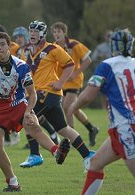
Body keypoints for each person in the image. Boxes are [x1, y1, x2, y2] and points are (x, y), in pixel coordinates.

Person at [0, 32, 70, 192]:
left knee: (33, 126)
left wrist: (28, 112)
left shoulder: (21, 66)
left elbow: (32, 94)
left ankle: (56, 152)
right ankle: (12, 182)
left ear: (9, 46)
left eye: (2, 44)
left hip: (18, 105)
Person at [67, 28, 135, 195]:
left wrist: (73, 107)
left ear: (112, 45)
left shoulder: (107, 65)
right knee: (95, 164)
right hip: (121, 129)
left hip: (127, 127)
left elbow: (88, 95)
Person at [19, 20, 94, 168]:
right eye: (31, 31)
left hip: (48, 92)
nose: (32, 34)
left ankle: (35, 154)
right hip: (36, 93)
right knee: (63, 129)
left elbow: (70, 64)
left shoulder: (53, 48)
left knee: (26, 118)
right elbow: (23, 72)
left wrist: (60, 82)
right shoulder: (25, 51)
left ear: (43, 34)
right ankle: (88, 155)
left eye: (36, 31)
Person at [51, 22, 99, 146]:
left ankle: (72, 138)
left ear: (64, 32)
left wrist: (76, 73)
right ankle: (91, 128)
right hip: (62, 83)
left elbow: (88, 60)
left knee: (67, 107)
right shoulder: (53, 47)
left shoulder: (73, 44)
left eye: (59, 31)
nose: (57, 34)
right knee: (74, 108)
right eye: (54, 32)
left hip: (74, 82)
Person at [12, 26, 60, 147]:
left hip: (42, 89)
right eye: (16, 37)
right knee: (33, 114)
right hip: (28, 88)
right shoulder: (20, 51)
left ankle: (35, 148)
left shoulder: (34, 49)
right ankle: (50, 136)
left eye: (21, 36)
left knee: (27, 115)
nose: (18, 39)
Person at [91, 30, 113, 109]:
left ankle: (110, 107)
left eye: (111, 36)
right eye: (108, 36)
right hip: (102, 72)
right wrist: (100, 56)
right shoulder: (100, 47)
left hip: (112, 72)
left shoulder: (115, 47)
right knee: (102, 91)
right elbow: (93, 58)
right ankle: (104, 108)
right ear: (105, 37)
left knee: (111, 90)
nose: (109, 38)